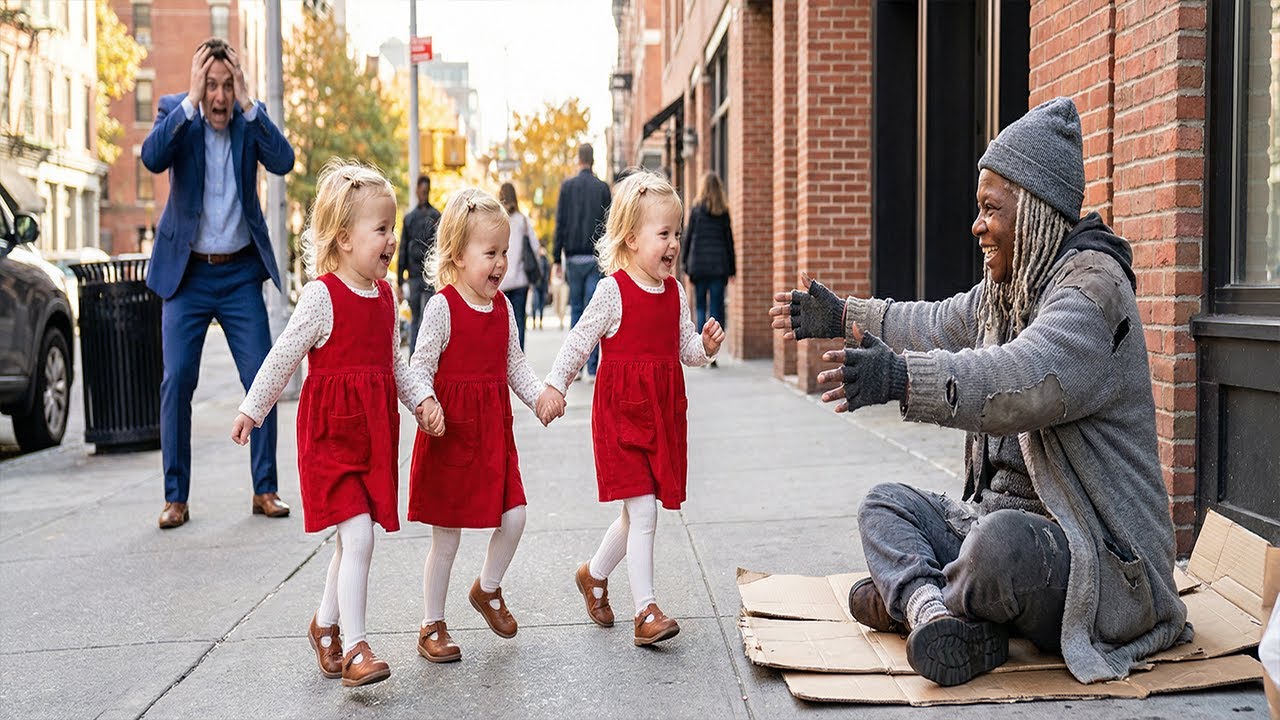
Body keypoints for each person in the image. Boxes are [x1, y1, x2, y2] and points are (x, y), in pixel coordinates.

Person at [769, 97, 1190, 687]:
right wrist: (844, 314)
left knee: (1000, 548)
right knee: (884, 504)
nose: (977, 226)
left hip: (1096, 558)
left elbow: (1019, 378)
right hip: (994, 525)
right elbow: (933, 321)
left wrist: (900, 378)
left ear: (1037, 212)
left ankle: (915, 597)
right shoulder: (1007, 290)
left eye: (990, 209)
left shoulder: (1094, 294)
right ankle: (936, 612)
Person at [231, 160, 432, 688]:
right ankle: (358, 646)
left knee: (351, 541)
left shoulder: (386, 298)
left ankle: (325, 624)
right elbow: (283, 356)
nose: (392, 240)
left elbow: (395, 367)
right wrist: (253, 408)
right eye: (381, 230)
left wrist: (422, 402)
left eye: (393, 228)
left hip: (373, 436)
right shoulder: (322, 296)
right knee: (359, 537)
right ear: (344, 238)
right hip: (331, 439)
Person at [536, 171, 725, 646]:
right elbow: (579, 340)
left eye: (677, 234)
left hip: (660, 416)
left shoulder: (676, 293)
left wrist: (705, 348)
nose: (674, 244)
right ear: (630, 237)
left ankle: (594, 575)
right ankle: (645, 611)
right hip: (621, 418)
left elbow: (685, 350)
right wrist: (555, 385)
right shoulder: (613, 291)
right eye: (664, 234)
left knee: (634, 514)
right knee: (643, 513)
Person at [141, 38, 295, 530]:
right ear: (199, 85)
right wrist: (188, 99)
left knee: (263, 378)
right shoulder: (177, 112)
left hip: (237, 275)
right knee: (177, 380)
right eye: (213, 85)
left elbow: (284, 161)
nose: (221, 96)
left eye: (228, 85)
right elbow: (151, 157)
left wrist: (251, 103)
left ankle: (264, 489)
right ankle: (175, 497)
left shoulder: (250, 119)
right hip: (187, 275)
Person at [407, 189, 545, 663]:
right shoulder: (442, 307)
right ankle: (432, 624)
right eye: (491, 253)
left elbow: (516, 367)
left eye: (505, 252)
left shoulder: (503, 309)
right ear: (457, 257)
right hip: (451, 436)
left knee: (516, 516)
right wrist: (425, 402)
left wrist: (540, 396)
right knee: (446, 537)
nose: (502, 263)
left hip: (492, 437)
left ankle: (487, 588)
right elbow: (419, 366)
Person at [553, 143, 612, 378]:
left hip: (574, 257)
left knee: (576, 310)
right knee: (594, 312)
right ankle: (591, 367)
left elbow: (560, 223)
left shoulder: (567, 188)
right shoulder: (602, 188)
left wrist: (556, 257)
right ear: (593, 160)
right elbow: (609, 226)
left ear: (579, 160)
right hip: (595, 257)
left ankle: (574, 367)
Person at [683, 171, 735, 368]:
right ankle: (713, 353)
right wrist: (732, 269)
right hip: (718, 267)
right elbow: (729, 242)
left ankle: (701, 349)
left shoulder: (696, 210)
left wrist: (686, 265)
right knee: (716, 309)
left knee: (700, 307)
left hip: (699, 266)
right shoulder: (723, 212)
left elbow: (688, 239)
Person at [398, 174, 442, 354]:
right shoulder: (411, 218)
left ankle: (423, 357)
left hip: (428, 276)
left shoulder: (434, 216)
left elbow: (441, 247)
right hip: (417, 276)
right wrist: (400, 280)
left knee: (425, 318)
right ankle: (418, 357)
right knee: (418, 318)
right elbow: (402, 249)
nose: (423, 194)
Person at [497, 182, 541, 350]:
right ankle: (518, 358)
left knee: (502, 324)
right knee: (519, 322)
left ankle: (504, 358)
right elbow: (535, 247)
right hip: (520, 280)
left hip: (500, 281)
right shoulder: (522, 221)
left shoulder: (498, 221)